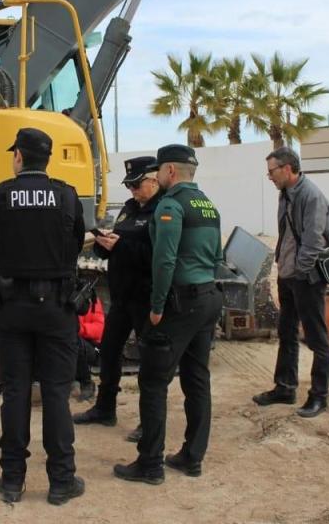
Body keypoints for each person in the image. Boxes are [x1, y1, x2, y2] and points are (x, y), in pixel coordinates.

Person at [0, 127, 86, 506]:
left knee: (15, 392)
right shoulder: (66, 195)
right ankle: (62, 481)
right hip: (56, 307)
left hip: (11, 307)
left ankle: (12, 480)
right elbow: (76, 242)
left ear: (19, 157)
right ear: (48, 158)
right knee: (57, 393)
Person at [113, 144, 223, 485]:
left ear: (170, 172)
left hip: (179, 301)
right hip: (208, 297)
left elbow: (164, 260)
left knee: (153, 380)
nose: (156, 175)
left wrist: (157, 306)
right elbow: (216, 255)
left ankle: (150, 464)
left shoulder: (171, 206)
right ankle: (192, 457)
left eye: (159, 169)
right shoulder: (208, 205)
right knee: (196, 378)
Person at [73, 155, 162, 445]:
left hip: (145, 296)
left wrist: (121, 246)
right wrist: (104, 245)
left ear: (154, 179)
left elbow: (158, 257)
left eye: (137, 185)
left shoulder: (163, 211)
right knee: (109, 351)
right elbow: (119, 248)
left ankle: (148, 422)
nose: (133, 191)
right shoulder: (129, 208)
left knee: (150, 362)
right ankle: (105, 407)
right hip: (121, 295)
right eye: (130, 185)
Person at [252, 146, 329, 418]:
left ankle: (319, 396)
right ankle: (285, 387)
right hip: (289, 274)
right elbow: (287, 234)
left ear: (287, 168)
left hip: (306, 278)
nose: (270, 177)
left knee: (316, 338)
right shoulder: (285, 194)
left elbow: (313, 241)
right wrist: (282, 266)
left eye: (272, 172)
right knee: (286, 332)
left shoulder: (311, 196)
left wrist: (299, 273)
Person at [74, 293, 104, 401]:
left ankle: (86, 383)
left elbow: (99, 329)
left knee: (74, 340)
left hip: (91, 346)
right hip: (65, 341)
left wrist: (79, 329)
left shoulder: (91, 298)